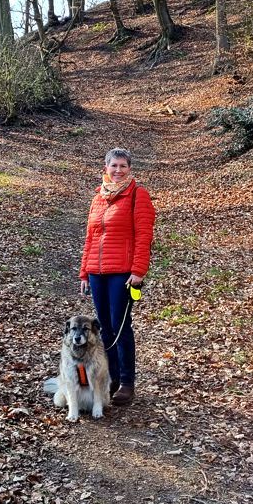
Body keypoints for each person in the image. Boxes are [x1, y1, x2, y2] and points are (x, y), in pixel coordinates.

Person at [78, 148, 156, 406]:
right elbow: (90, 238)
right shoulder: (98, 197)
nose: (118, 170)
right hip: (97, 273)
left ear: (129, 168)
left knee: (121, 328)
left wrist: (138, 270)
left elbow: (144, 237)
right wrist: (84, 272)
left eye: (123, 166)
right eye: (114, 165)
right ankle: (108, 379)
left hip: (122, 273)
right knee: (105, 328)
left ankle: (126, 382)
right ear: (106, 167)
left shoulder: (138, 195)